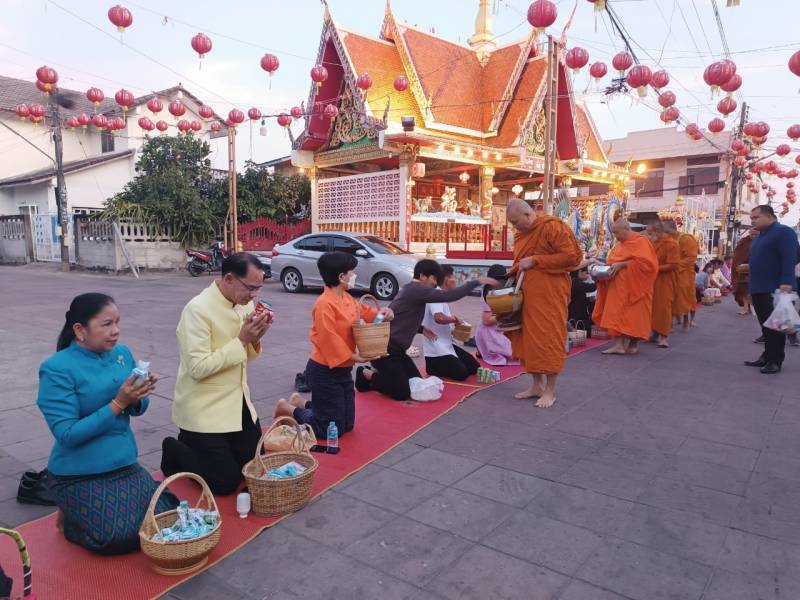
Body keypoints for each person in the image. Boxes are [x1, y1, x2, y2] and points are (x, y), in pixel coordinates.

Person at [38, 293, 178, 554]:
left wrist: (139, 395)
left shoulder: (121, 354)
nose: (116, 331)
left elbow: (138, 408)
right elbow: (67, 434)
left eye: (117, 322)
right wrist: (118, 403)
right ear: (80, 330)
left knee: (165, 520)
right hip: (79, 472)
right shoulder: (56, 369)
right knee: (118, 538)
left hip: (122, 462)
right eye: (106, 324)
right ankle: (71, 519)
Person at [161, 253, 272, 495]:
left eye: (258, 289)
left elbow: (246, 358)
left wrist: (255, 339)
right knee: (224, 482)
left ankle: (214, 448)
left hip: (236, 402)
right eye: (250, 288)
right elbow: (198, 368)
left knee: (256, 467)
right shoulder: (197, 310)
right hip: (205, 408)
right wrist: (242, 339)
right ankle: (175, 449)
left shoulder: (245, 304)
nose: (254, 295)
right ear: (229, 279)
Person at [273, 251, 393, 435]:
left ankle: (300, 402)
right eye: (351, 272)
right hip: (324, 370)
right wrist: (355, 356)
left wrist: (383, 314)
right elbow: (328, 339)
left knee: (346, 424)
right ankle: (287, 409)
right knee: (328, 428)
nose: (354, 275)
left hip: (342, 369)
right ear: (341, 277)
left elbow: (367, 314)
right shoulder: (324, 304)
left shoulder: (346, 298)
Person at [356, 259, 496, 400]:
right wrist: (477, 282)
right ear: (422, 276)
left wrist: (421, 329)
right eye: (434, 278)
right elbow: (448, 296)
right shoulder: (416, 290)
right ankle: (367, 374)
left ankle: (383, 374)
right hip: (386, 350)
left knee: (416, 383)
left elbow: (403, 317)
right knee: (402, 392)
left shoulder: (412, 290)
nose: (435, 283)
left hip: (397, 351)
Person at [504, 199, 582, 408]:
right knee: (527, 340)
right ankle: (536, 385)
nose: (514, 227)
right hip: (526, 296)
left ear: (528, 215)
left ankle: (550, 390)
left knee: (548, 339)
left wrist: (537, 260)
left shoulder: (552, 227)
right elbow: (521, 262)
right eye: (511, 223)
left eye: (515, 222)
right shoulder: (523, 234)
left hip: (550, 295)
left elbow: (571, 258)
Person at [744, 205, 800, 374]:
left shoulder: (784, 232)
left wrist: (786, 282)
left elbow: (789, 258)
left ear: (769, 216)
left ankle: (775, 360)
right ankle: (767, 355)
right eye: (751, 218)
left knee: (776, 326)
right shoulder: (760, 236)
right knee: (765, 325)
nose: (752, 221)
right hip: (759, 287)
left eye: (756, 217)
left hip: (775, 288)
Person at [593, 220, 659, 355]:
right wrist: (603, 269)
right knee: (615, 313)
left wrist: (622, 265)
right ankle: (618, 345)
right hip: (618, 287)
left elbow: (648, 265)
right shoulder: (619, 245)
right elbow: (612, 261)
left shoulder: (641, 242)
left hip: (638, 287)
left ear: (625, 229)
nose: (615, 236)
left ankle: (633, 343)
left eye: (616, 232)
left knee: (636, 316)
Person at [422, 265, 480, 381]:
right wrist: (455, 319)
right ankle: (432, 366)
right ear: (447, 279)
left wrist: (457, 329)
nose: (455, 280)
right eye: (453, 277)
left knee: (474, 368)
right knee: (462, 374)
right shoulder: (436, 294)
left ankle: (446, 363)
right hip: (436, 349)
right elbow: (439, 318)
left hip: (447, 344)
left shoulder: (442, 295)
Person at [476, 264, 520, 366]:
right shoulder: (487, 292)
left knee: (521, 351)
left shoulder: (504, 289)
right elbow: (486, 321)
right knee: (513, 355)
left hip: (501, 328)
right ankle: (484, 349)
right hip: (490, 331)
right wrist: (506, 314)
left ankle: (482, 350)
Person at [647, 220, 679, 348]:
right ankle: (654, 333)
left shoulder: (672, 244)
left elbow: (674, 264)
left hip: (665, 280)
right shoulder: (654, 242)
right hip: (653, 279)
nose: (649, 236)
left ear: (658, 231)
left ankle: (664, 336)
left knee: (664, 308)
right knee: (652, 307)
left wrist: (656, 268)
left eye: (651, 233)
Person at [665, 220, 699, 331]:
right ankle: (670, 322)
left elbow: (691, 258)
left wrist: (676, 265)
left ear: (672, 229)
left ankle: (686, 320)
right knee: (671, 297)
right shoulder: (668, 240)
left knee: (685, 296)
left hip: (684, 273)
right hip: (671, 272)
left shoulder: (686, 239)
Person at [731, 230, 757, 315]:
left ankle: (752, 307)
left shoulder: (761, 241)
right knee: (744, 291)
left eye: (755, 234)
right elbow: (738, 255)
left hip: (756, 270)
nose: (753, 236)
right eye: (752, 234)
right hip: (744, 270)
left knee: (752, 291)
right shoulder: (744, 242)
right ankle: (746, 308)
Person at [568, 265, 597, 338]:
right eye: (586, 273)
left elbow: (579, 297)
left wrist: (589, 300)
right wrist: (598, 280)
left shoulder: (571, 281)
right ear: (580, 272)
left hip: (575, 311)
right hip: (576, 314)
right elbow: (591, 287)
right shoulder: (575, 282)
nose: (588, 275)